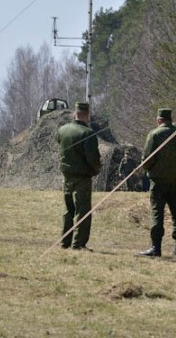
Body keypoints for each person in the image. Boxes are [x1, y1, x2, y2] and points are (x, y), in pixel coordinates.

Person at [137, 108, 176, 257]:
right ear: (170, 119)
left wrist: (148, 169)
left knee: (157, 213)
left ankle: (156, 247)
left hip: (158, 181)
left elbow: (147, 160)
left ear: (159, 120)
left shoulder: (155, 134)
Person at [56, 102, 101, 250]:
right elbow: (93, 159)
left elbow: (58, 141)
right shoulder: (87, 134)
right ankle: (78, 244)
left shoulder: (62, 130)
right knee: (82, 210)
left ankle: (65, 242)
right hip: (82, 178)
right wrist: (96, 171)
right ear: (87, 116)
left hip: (66, 176)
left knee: (69, 209)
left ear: (75, 114)